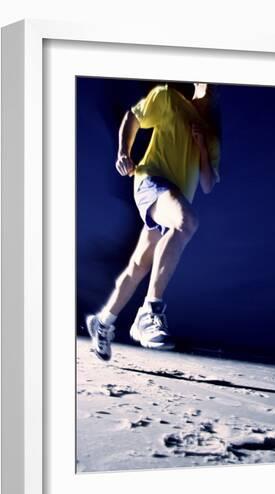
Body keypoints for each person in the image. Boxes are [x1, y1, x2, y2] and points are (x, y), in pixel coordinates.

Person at [86, 82, 221, 361]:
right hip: (152, 181)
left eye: (215, 85)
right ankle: (150, 311)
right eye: (205, 81)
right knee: (186, 222)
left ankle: (103, 322)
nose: (209, 87)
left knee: (138, 265)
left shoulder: (210, 134)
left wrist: (202, 149)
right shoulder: (168, 98)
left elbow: (208, 183)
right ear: (195, 84)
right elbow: (133, 118)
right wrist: (124, 151)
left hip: (169, 201)